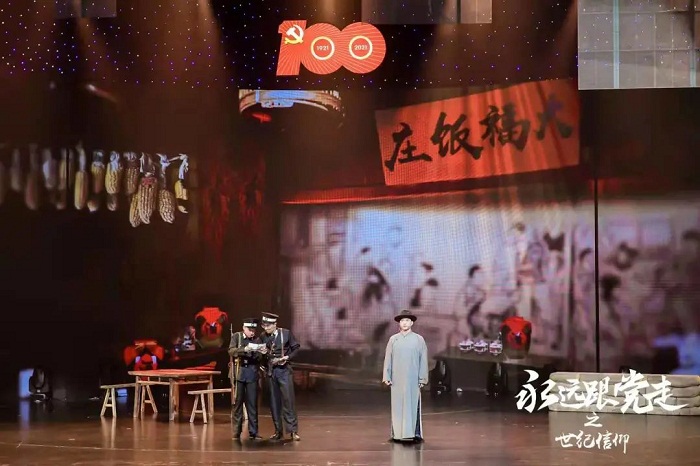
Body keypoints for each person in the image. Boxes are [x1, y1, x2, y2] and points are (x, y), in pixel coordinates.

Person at [382, 309, 429, 443]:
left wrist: (422, 378)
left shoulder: (419, 339)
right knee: (397, 406)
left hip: (413, 378)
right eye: (402, 320)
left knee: (413, 405)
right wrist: (387, 376)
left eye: (407, 320)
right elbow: (388, 358)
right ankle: (397, 434)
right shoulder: (393, 339)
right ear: (399, 323)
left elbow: (423, 359)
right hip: (397, 378)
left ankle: (414, 434)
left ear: (412, 323)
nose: (404, 323)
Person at [259, 312, 301, 441]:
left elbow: (296, 348)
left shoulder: (286, 333)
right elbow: (262, 355)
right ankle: (278, 431)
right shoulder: (263, 336)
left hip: (284, 371)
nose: (266, 328)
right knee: (274, 402)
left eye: (268, 326)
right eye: (264, 326)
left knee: (288, 400)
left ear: (275, 324)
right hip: (271, 371)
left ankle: (293, 431)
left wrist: (287, 357)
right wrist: (262, 353)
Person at [228, 317, 266, 440]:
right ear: (244, 328)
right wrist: (244, 350)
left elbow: (259, 358)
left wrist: (261, 352)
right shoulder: (237, 336)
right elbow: (231, 351)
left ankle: (253, 432)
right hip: (239, 373)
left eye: (254, 330)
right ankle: (236, 432)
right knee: (237, 403)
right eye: (250, 330)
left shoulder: (257, 340)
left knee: (252, 404)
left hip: (252, 374)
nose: (252, 332)